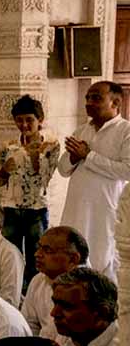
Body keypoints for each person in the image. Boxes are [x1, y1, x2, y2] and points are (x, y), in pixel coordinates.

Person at [59, 80, 130, 280]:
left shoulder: (126, 131)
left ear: (115, 103)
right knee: (72, 255)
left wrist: (88, 156)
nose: (89, 102)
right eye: (87, 98)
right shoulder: (82, 130)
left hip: (105, 208)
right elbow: (63, 170)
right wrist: (73, 157)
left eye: (96, 98)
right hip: (75, 207)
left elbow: (127, 171)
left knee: (102, 260)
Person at [0, 94, 60, 282]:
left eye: (29, 120)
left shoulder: (50, 146)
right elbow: (0, 180)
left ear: (39, 120)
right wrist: (4, 171)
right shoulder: (8, 146)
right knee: (10, 253)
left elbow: (45, 180)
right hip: (11, 207)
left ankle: (33, 291)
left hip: (36, 208)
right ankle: (13, 289)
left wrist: (34, 156)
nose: (24, 125)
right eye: (19, 120)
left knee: (37, 255)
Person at [22, 225, 87, 341]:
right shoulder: (38, 280)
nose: (37, 254)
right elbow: (29, 325)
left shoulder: (86, 290)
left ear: (73, 259)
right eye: (39, 247)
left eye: (47, 250)